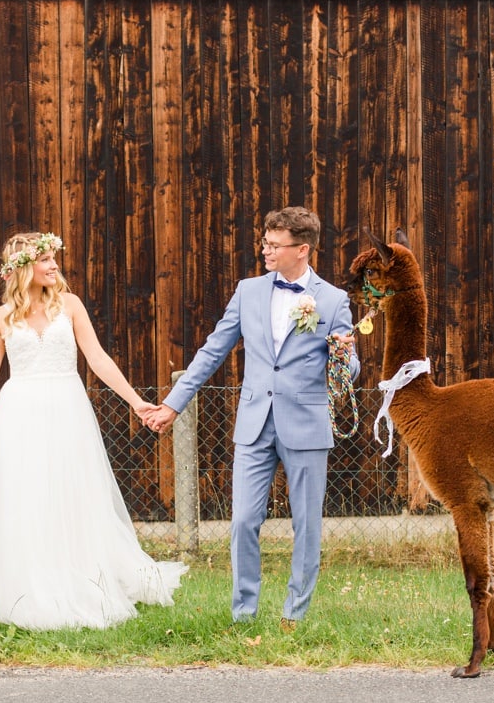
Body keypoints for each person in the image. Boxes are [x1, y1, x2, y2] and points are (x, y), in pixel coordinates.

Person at [144, 207, 358, 627]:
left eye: (274, 245)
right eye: (265, 243)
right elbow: (211, 351)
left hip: (307, 425)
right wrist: (172, 404)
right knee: (242, 520)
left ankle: (294, 615)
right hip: (255, 423)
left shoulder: (333, 301)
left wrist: (343, 355)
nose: (265, 251)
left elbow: (349, 375)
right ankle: (243, 614)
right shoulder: (248, 291)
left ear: (302, 249)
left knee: (307, 526)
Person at [0, 231, 187, 630]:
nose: (54, 266)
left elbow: (97, 358)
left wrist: (136, 402)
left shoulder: (69, 306)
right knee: (28, 497)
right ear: (20, 268)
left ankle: (84, 577)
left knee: (72, 492)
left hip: (67, 409)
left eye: (54, 258)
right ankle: (31, 584)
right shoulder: (0, 319)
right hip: (19, 415)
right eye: (45, 259)